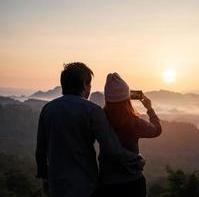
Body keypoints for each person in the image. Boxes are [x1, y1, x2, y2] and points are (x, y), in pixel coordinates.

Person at [35, 63, 141, 197]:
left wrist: (44, 176)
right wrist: (136, 159)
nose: (90, 89)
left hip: (57, 186)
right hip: (86, 186)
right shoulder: (92, 111)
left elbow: (41, 149)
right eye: (89, 85)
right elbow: (112, 149)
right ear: (85, 84)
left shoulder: (48, 109)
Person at [99, 73, 162, 197]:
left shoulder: (99, 119)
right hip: (132, 181)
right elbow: (157, 130)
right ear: (127, 99)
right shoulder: (134, 122)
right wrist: (149, 109)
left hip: (107, 182)